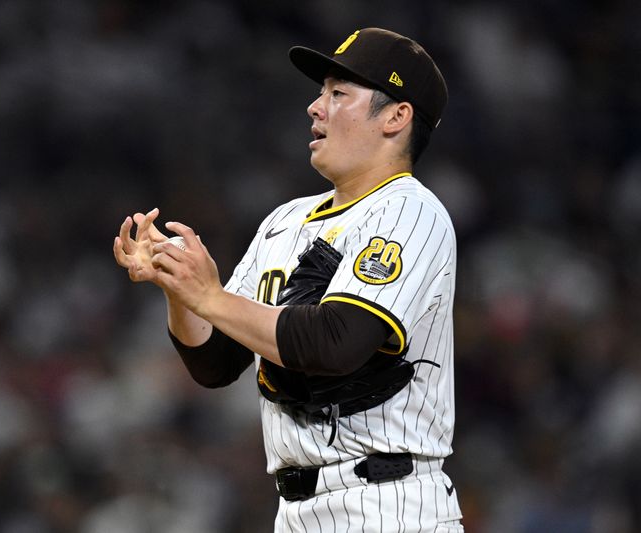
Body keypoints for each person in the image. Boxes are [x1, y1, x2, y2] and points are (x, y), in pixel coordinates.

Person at [113, 27, 464, 532]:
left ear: (396, 116)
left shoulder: (410, 211)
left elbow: (335, 343)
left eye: (338, 93)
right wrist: (180, 288)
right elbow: (216, 362)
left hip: (389, 504)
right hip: (297, 513)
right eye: (321, 92)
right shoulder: (286, 220)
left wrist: (209, 295)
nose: (315, 107)